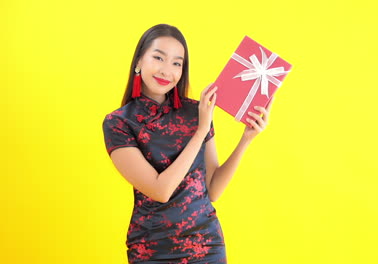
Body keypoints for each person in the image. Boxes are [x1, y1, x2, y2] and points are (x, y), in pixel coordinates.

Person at [102, 24, 272, 264]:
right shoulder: (118, 123)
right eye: (158, 58)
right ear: (139, 61)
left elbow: (213, 190)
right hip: (153, 249)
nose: (166, 70)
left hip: (206, 245)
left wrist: (246, 139)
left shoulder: (196, 111)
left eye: (176, 63)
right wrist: (201, 130)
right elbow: (160, 191)